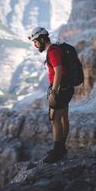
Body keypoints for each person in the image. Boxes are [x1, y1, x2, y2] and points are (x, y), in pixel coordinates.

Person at [28, 27, 74, 163]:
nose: (35, 45)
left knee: (55, 119)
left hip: (60, 89)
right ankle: (61, 148)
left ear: (42, 39)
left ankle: (57, 152)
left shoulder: (53, 52)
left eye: (35, 41)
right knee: (64, 118)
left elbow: (58, 72)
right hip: (66, 88)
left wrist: (54, 92)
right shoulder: (55, 49)